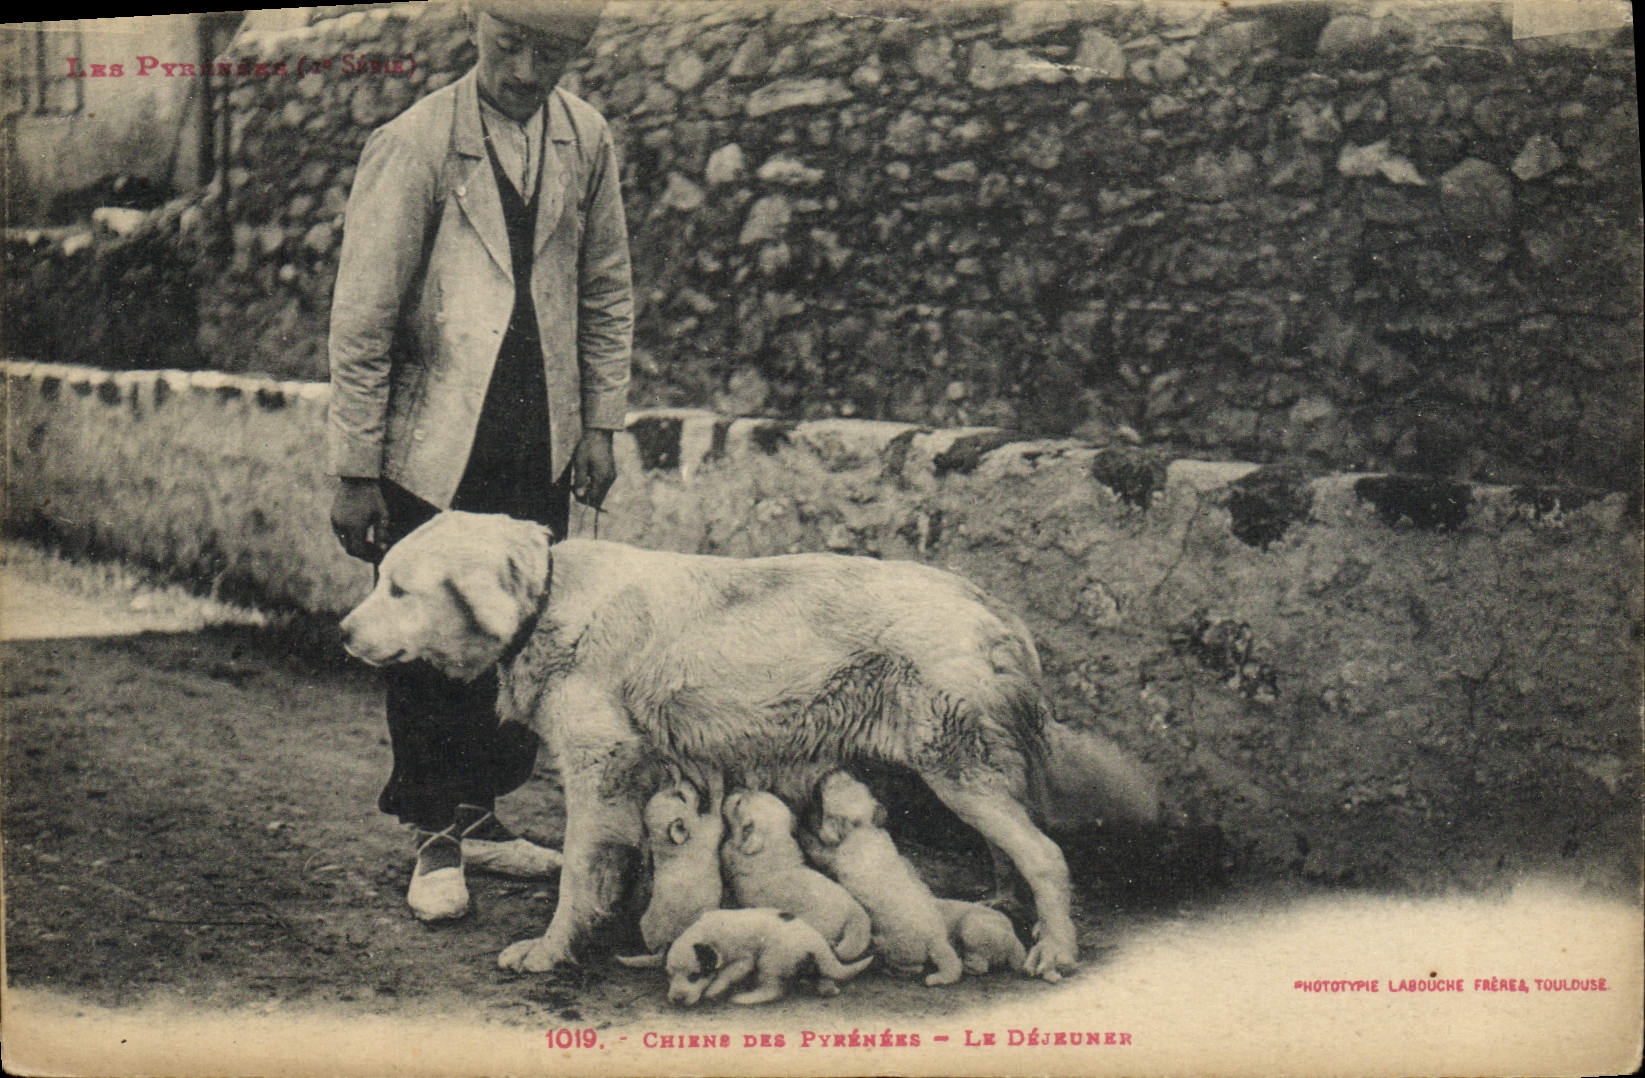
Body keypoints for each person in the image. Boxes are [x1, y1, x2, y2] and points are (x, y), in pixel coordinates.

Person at [326, 0, 632, 922]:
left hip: (537, 434)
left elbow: (606, 287)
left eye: (553, 56)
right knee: (427, 636)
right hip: (432, 444)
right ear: (476, 30)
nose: (529, 73)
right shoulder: (416, 141)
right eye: (511, 48)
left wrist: (601, 424)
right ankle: (433, 839)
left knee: (522, 633)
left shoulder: (586, 139)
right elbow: (364, 318)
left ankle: (484, 816)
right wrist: (355, 468)